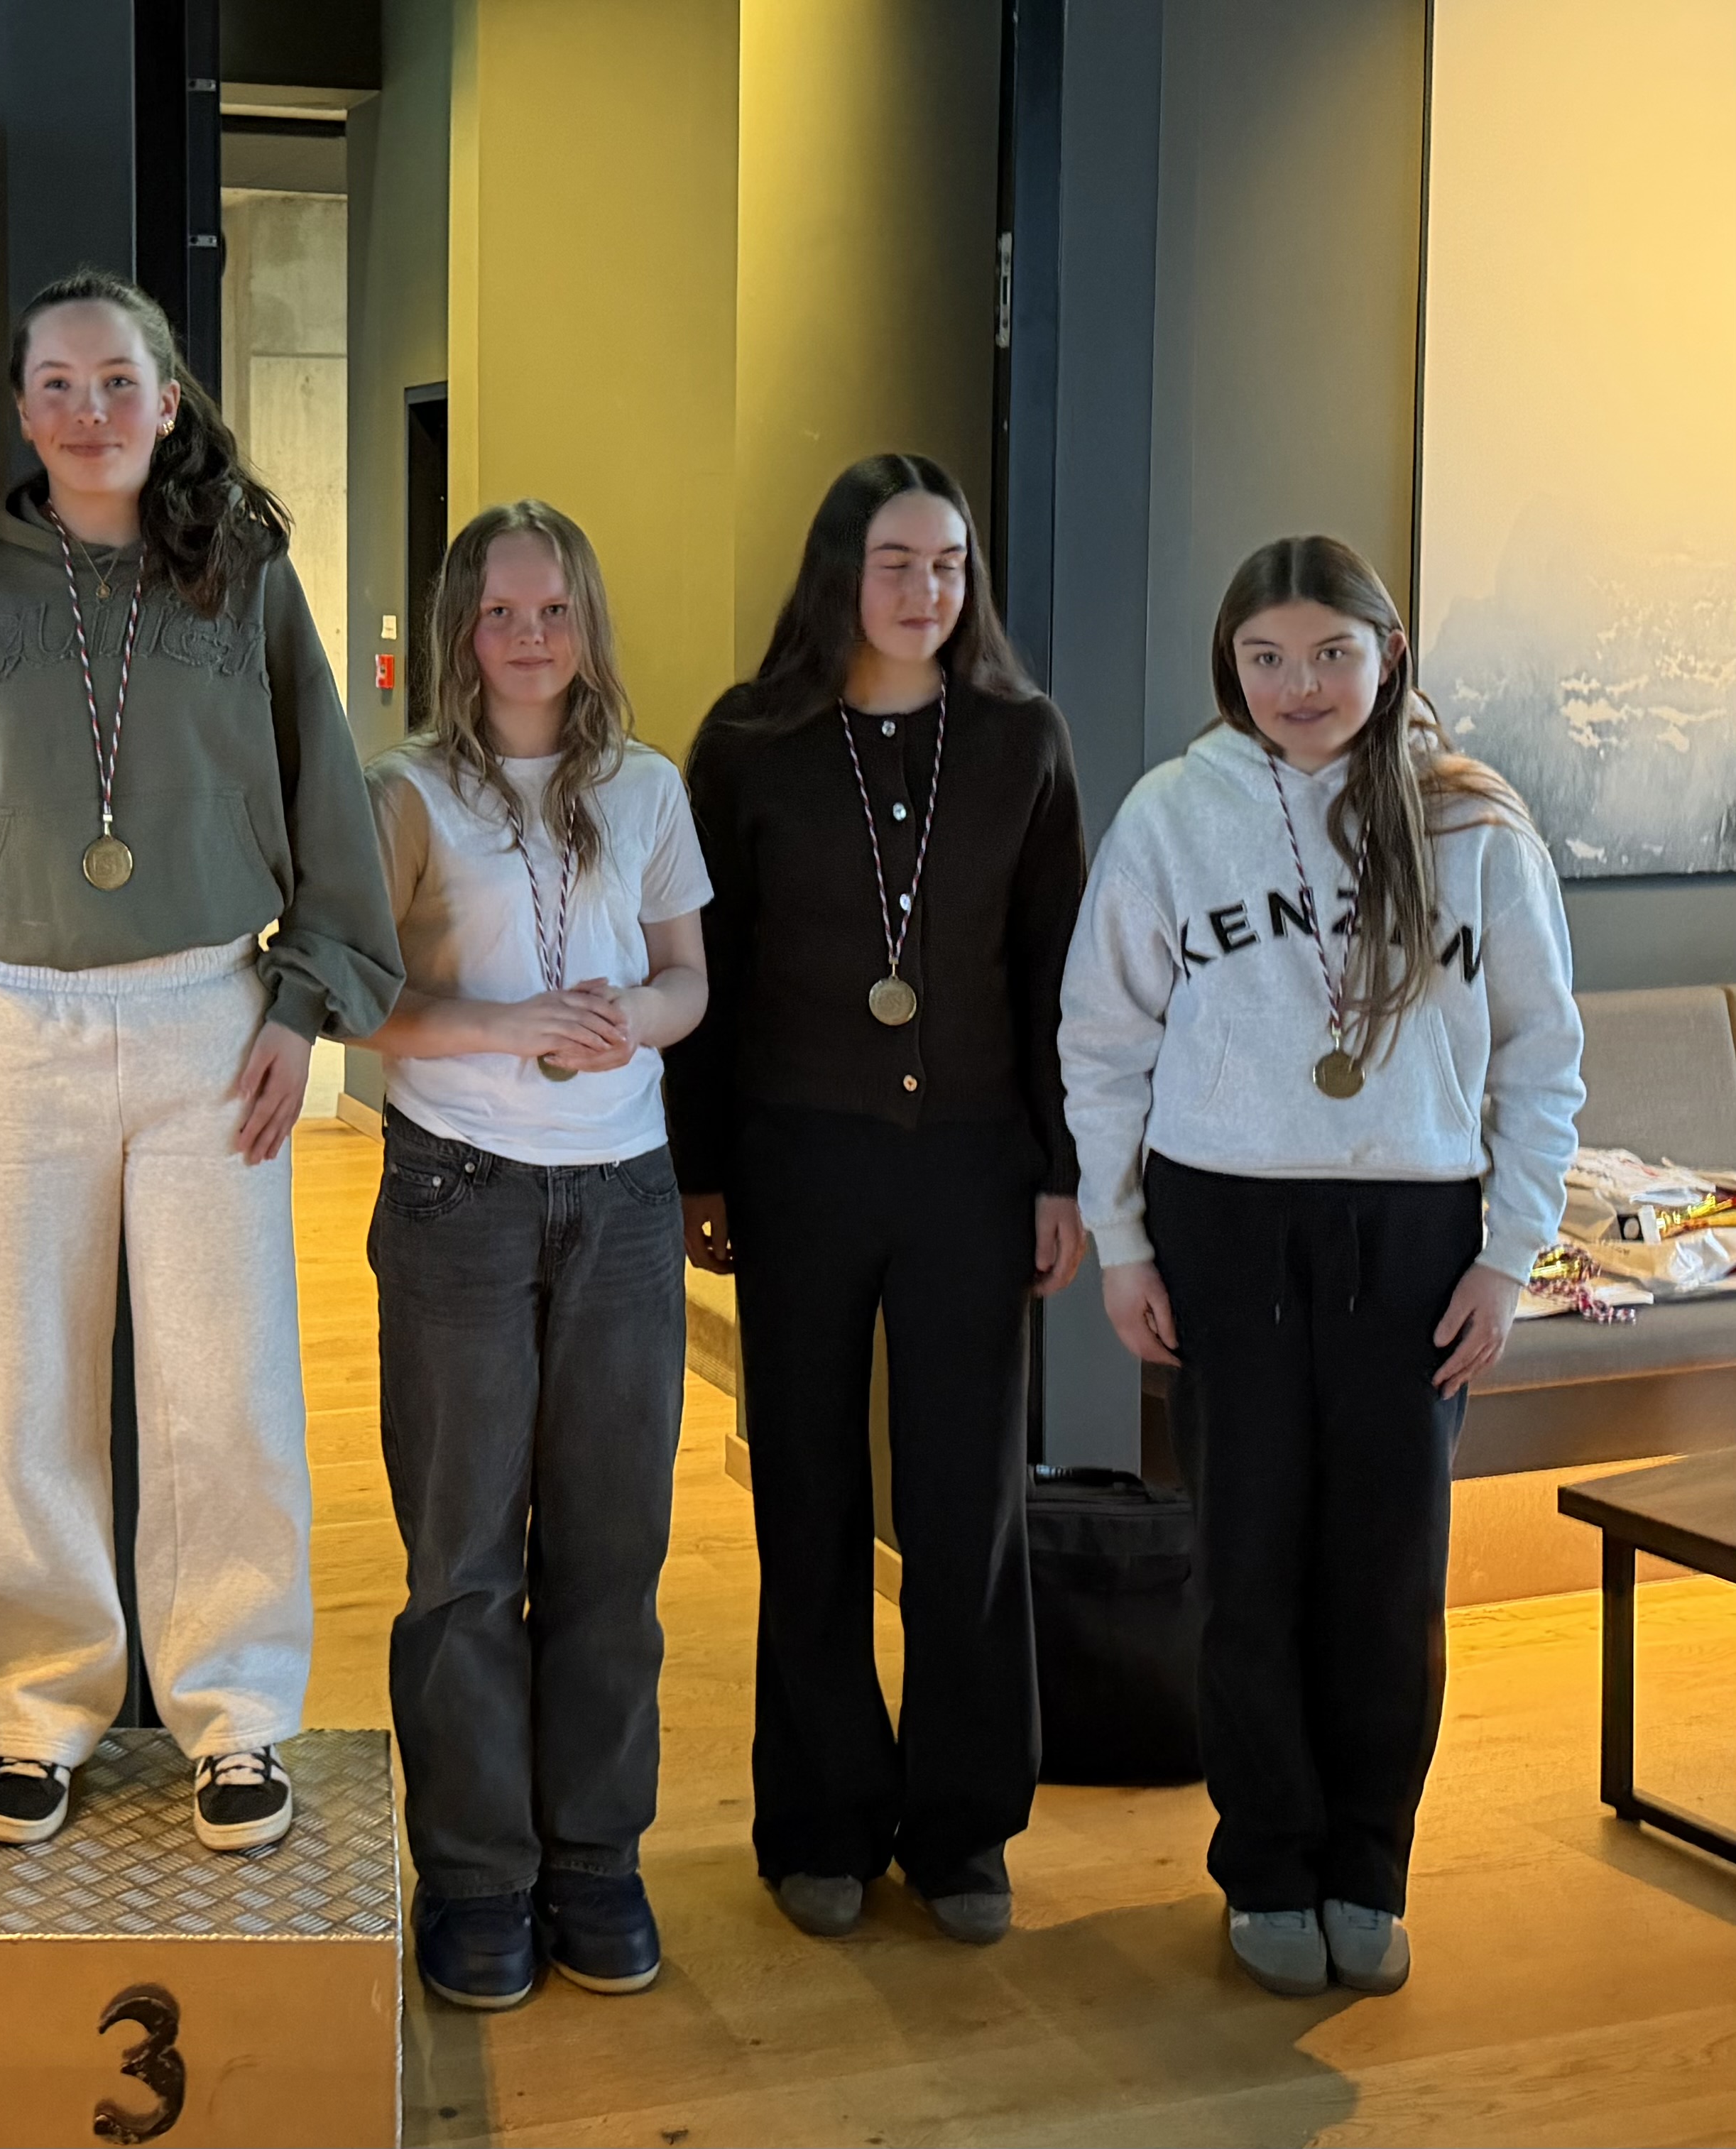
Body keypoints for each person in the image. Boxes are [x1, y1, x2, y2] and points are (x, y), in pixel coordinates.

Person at [0, 269, 400, 1854]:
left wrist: (300, 1005)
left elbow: (324, 795)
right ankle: (39, 1708)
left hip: (203, 1021)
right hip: (11, 1021)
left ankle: (233, 1713)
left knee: (222, 1389)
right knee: (28, 1386)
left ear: (169, 400)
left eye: (118, 382)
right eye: (57, 384)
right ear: (22, 410)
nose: (88, 410)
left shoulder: (243, 576)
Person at [1059, 535, 1582, 1998]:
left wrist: (1506, 1255)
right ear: (1228, 665)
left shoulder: (1475, 823)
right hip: (1222, 1225)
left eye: (1331, 654)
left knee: (1387, 1575)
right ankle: (1268, 1862)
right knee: (1245, 1563)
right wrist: (1120, 1240)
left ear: (1387, 654)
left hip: (1415, 1235)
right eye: (1267, 658)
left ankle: (1369, 1861)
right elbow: (1101, 1040)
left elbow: (1540, 1055)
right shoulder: (1176, 814)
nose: (1300, 686)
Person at [665, 453, 1087, 1947]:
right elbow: (705, 974)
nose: (925, 591)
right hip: (799, 1162)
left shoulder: (1022, 741)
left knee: (968, 1502)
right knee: (807, 1493)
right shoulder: (750, 742)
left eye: (949, 564)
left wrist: (1062, 1169)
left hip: (975, 1165)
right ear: (838, 571)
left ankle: (964, 1829)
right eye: (896, 562)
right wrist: (700, 1164)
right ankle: (819, 1819)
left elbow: (1054, 973)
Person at [360, 501, 709, 2006]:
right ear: (459, 628)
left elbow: (689, 979)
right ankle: (476, 1875)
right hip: (460, 1188)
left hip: (623, 1196)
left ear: (587, 623)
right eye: (499, 612)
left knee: (613, 1548)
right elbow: (362, 1001)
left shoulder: (646, 785)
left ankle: (594, 1857)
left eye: (553, 610)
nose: (528, 636)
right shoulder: (404, 792)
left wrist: (631, 1018)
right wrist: (512, 1026)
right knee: (460, 1557)